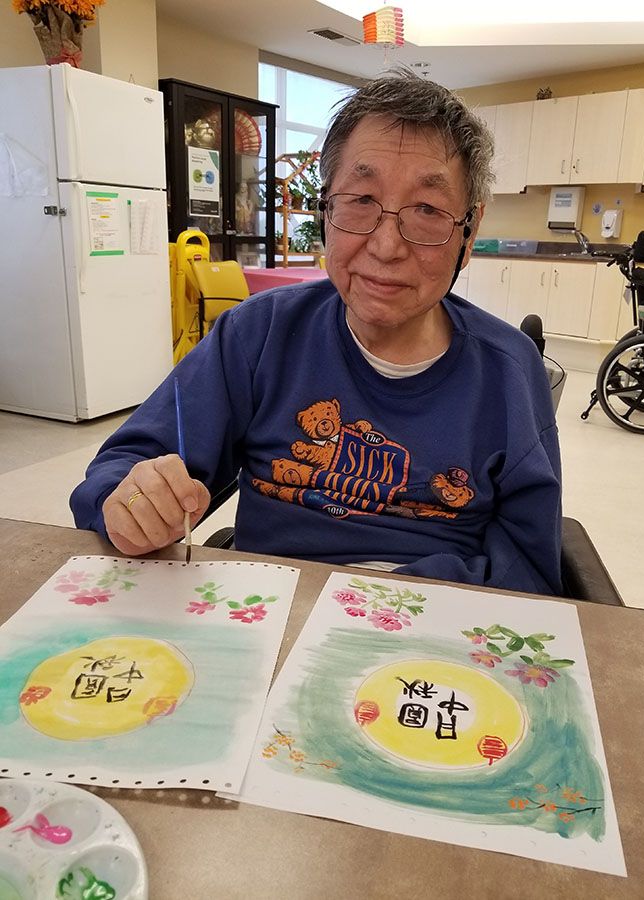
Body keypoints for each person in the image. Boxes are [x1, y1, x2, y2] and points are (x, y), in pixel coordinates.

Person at [70, 70, 563, 596]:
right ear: (326, 210)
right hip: (267, 610)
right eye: (360, 200)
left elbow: (528, 566)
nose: (387, 246)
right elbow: (123, 467)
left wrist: (373, 600)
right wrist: (129, 501)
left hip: (433, 624)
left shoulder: (508, 369)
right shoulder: (259, 333)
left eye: (426, 210)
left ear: (468, 232)